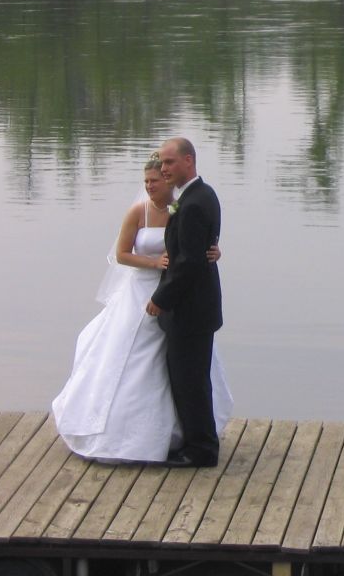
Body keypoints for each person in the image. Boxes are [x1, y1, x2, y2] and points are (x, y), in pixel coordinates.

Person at [52, 154, 232, 463]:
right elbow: (122, 254)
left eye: (155, 180)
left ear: (168, 181)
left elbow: (191, 248)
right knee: (128, 358)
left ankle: (183, 435)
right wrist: (152, 262)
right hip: (141, 293)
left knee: (178, 368)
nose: (150, 186)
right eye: (146, 181)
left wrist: (213, 251)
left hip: (172, 297)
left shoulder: (183, 208)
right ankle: (124, 435)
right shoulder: (139, 212)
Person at [147, 137, 224, 468]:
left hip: (190, 310)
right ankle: (197, 442)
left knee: (189, 380)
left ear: (189, 161)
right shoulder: (201, 194)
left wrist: (160, 299)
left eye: (169, 162)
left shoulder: (192, 203)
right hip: (199, 307)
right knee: (191, 378)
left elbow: (190, 262)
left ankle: (201, 449)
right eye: (162, 163)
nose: (164, 168)